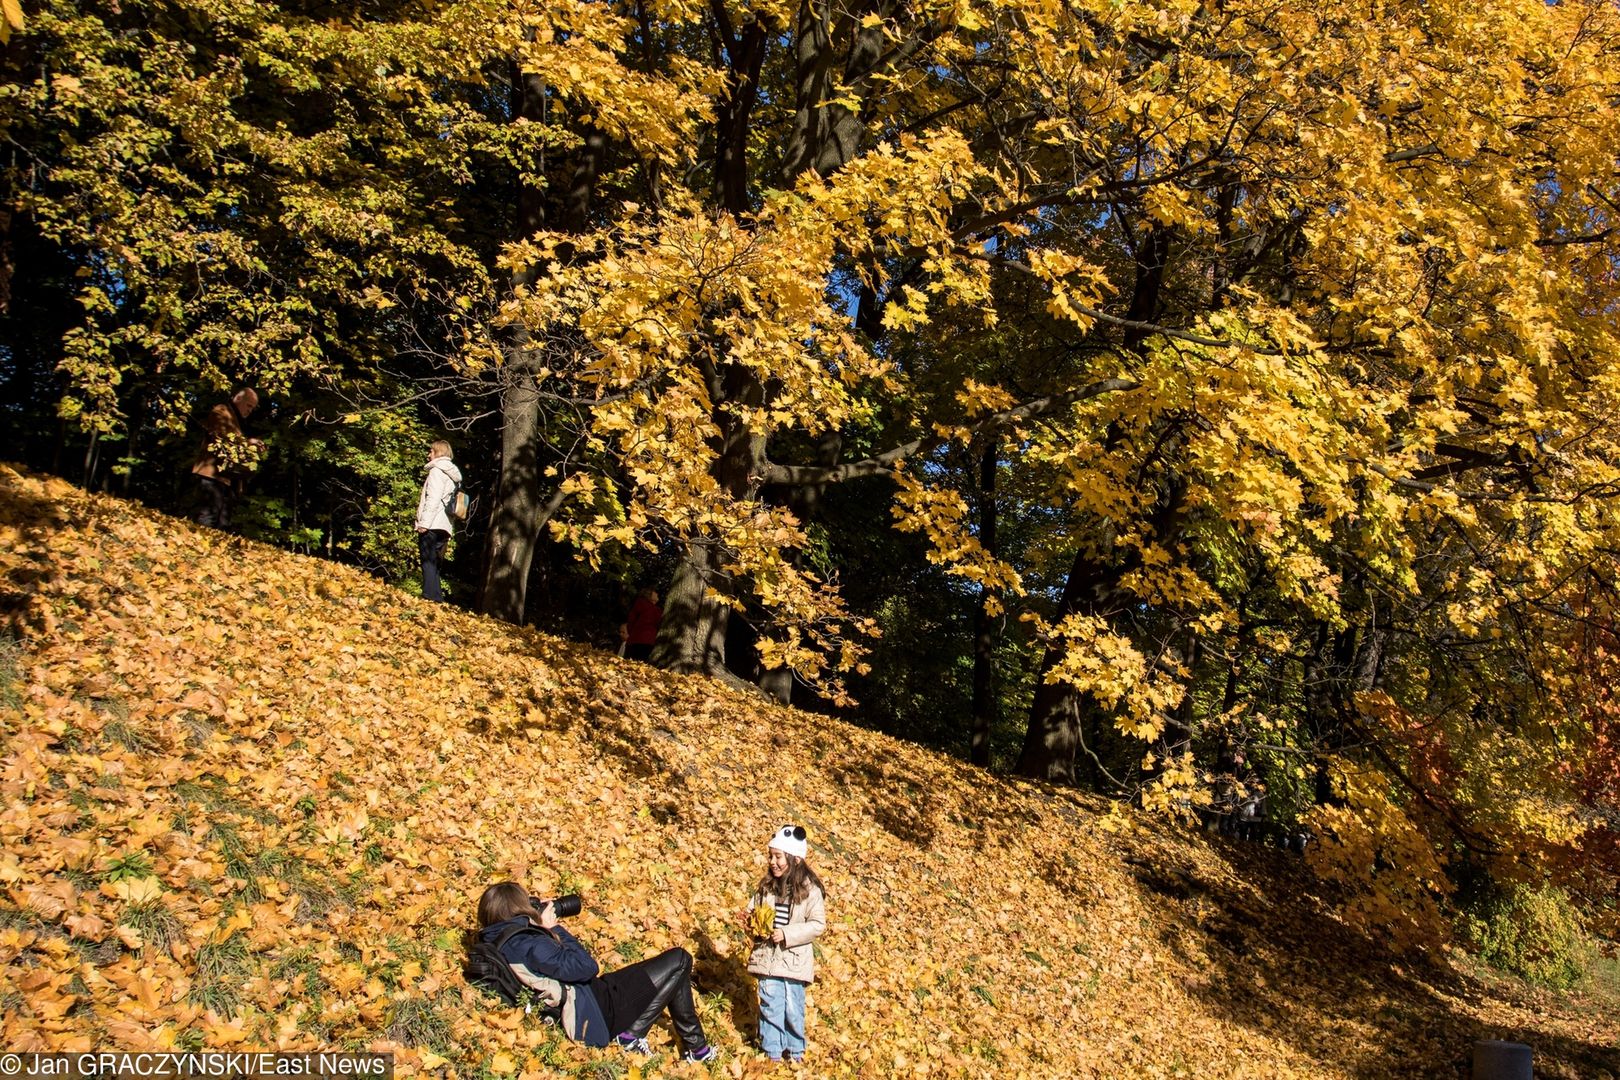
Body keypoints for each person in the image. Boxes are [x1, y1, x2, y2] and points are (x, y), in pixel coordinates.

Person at [474, 882, 716, 1062]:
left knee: (674, 970)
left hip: (593, 995)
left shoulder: (501, 939)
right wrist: (553, 927)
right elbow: (587, 967)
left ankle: (695, 1048)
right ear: (519, 907)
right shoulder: (528, 943)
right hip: (599, 1009)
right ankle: (645, 1038)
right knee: (680, 960)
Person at [740, 825, 826, 1064]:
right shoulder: (766, 887)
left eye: (779, 857)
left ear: (795, 859)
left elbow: (817, 924)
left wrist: (787, 934)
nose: (773, 862)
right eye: (771, 856)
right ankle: (772, 1052)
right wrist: (749, 920)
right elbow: (753, 911)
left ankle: (795, 1051)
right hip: (768, 958)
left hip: (793, 960)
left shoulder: (810, 890)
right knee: (770, 1005)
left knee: (792, 1007)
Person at [191, 388, 264, 530]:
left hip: (227, 478)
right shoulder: (221, 411)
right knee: (207, 517)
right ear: (238, 399)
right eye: (249, 405)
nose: (250, 411)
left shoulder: (236, 420)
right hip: (212, 473)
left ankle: (212, 550)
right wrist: (247, 443)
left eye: (253, 408)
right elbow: (222, 435)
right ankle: (197, 548)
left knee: (222, 523)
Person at [414, 440, 462, 602]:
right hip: (445, 525)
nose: (428, 455)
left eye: (431, 452)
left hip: (433, 522)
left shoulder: (436, 472)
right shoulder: (454, 476)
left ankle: (429, 595)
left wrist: (424, 523)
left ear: (438, 453)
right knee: (434, 563)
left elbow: (433, 499)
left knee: (427, 560)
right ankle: (436, 597)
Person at [619, 588, 662, 661]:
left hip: (634, 640)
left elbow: (631, 621)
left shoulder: (637, 605)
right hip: (647, 641)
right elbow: (659, 623)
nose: (657, 595)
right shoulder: (655, 610)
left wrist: (632, 633)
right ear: (649, 595)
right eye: (655, 593)